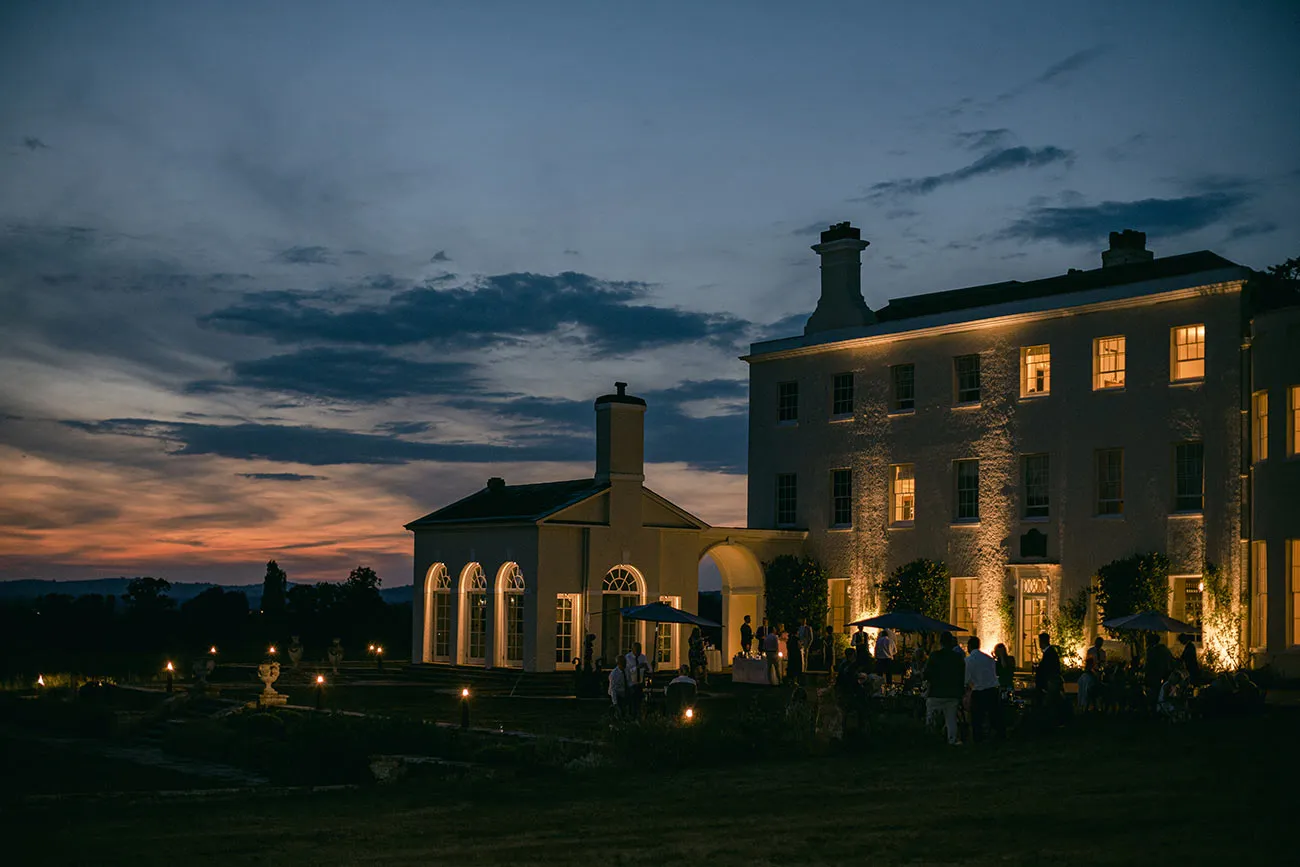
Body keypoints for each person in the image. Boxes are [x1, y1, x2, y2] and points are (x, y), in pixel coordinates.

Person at [924, 632, 966, 745]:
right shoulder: (957, 658)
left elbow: (926, 674)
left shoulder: (934, 656)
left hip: (936, 692)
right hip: (953, 693)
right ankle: (951, 739)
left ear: (940, 642)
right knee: (951, 719)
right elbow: (962, 675)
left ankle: (930, 738)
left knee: (931, 716)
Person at [964, 636, 1004, 741]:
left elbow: (967, 678)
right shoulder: (989, 659)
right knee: (994, 715)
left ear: (969, 646)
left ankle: (979, 738)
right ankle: (999, 735)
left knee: (977, 718)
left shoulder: (968, 660)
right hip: (992, 689)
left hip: (979, 691)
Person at [1144, 633, 1175, 707]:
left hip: (1155, 676)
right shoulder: (1164, 649)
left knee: (1155, 695)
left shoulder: (1153, 651)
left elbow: (1150, 665)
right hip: (1164, 676)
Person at [1035, 632, 1062, 711]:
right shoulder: (1050, 652)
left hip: (1048, 683)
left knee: (1048, 705)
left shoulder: (1049, 653)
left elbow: (1047, 669)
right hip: (1048, 683)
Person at [625, 642, 650, 718]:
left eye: (640, 650)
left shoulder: (643, 657)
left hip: (640, 683)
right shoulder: (628, 658)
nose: (638, 652)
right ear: (632, 649)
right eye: (637, 650)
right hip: (631, 683)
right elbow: (627, 671)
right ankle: (631, 716)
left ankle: (638, 717)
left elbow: (649, 669)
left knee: (639, 702)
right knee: (632, 703)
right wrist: (637, 667)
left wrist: (646, 667)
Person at [608, 654, 629, 718]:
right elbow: (613, 689)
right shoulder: (614, 674)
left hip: (624, 694)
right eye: (623, 662)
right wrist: (615, 703)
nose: (625, 664)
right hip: (617, 696)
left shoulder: (626, 671)